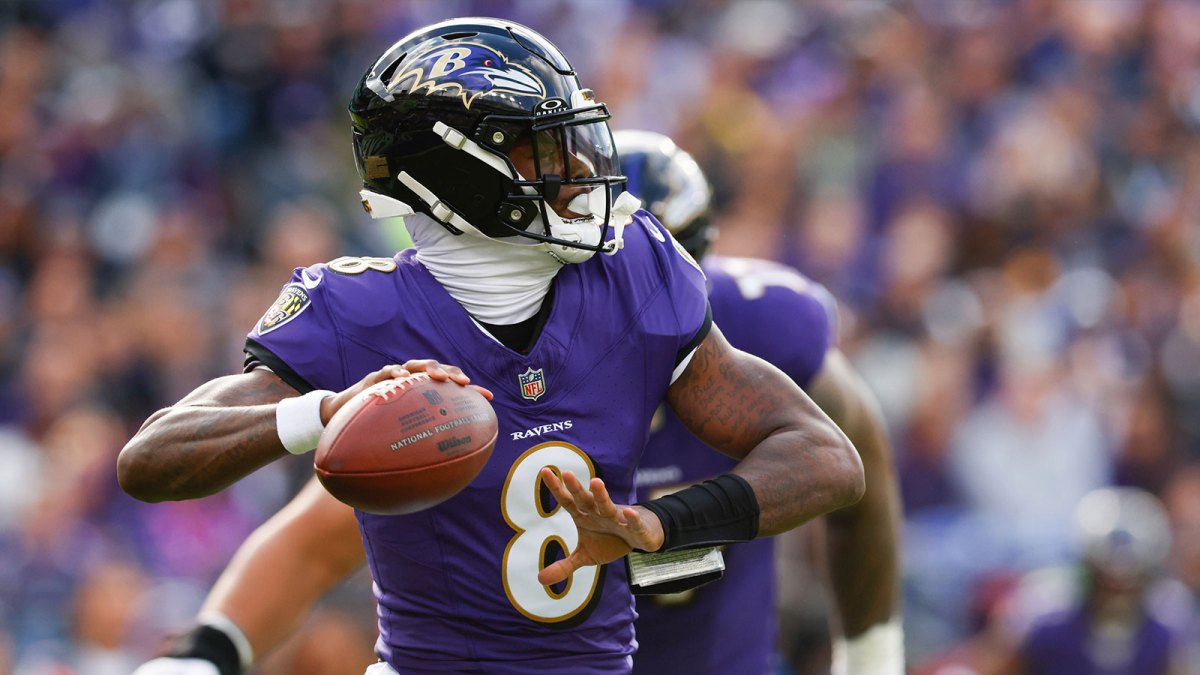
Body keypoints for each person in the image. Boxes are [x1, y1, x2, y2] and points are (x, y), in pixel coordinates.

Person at [117, 17, 864, 675]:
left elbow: (825, 456)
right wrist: (325, 411)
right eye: (545, 149)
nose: (578, 170)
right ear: (458, 174)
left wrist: (659, 524)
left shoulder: (631, 268)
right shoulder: (362, 311)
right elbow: (150, 459)